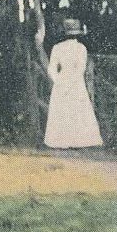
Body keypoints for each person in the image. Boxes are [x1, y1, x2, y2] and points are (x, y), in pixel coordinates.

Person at [44, 18, 103, 149]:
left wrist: (59, 81)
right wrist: (66, 83)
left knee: (66, 110)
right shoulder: (81, 48)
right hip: (74, 82)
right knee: (75, 111)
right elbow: (80, 69)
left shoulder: (58, 48)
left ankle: (63, 141)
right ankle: (76, 141)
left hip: (63, 80)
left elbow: (51, 69)